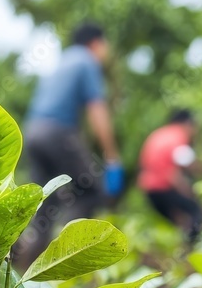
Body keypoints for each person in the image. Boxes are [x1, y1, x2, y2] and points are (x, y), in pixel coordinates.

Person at [14, 23, 122, 267]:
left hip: (33, 133)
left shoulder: (61, 62)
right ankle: (66, 260)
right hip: (57, 132)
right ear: (96, 43)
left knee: (45, 205)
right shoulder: (87, 61)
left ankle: (25, 269)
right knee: (90, 192)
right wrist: (112, 157)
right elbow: (97, 111)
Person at [137, 110, 202, 245]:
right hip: (163, 187)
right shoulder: (177, 135)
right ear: (187, 124)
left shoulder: (159, 134)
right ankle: (194, 247)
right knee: (196, 213)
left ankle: (183, 247)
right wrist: (192, 187)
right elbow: (179, 165)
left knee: (181, 220)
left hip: (149, 190)